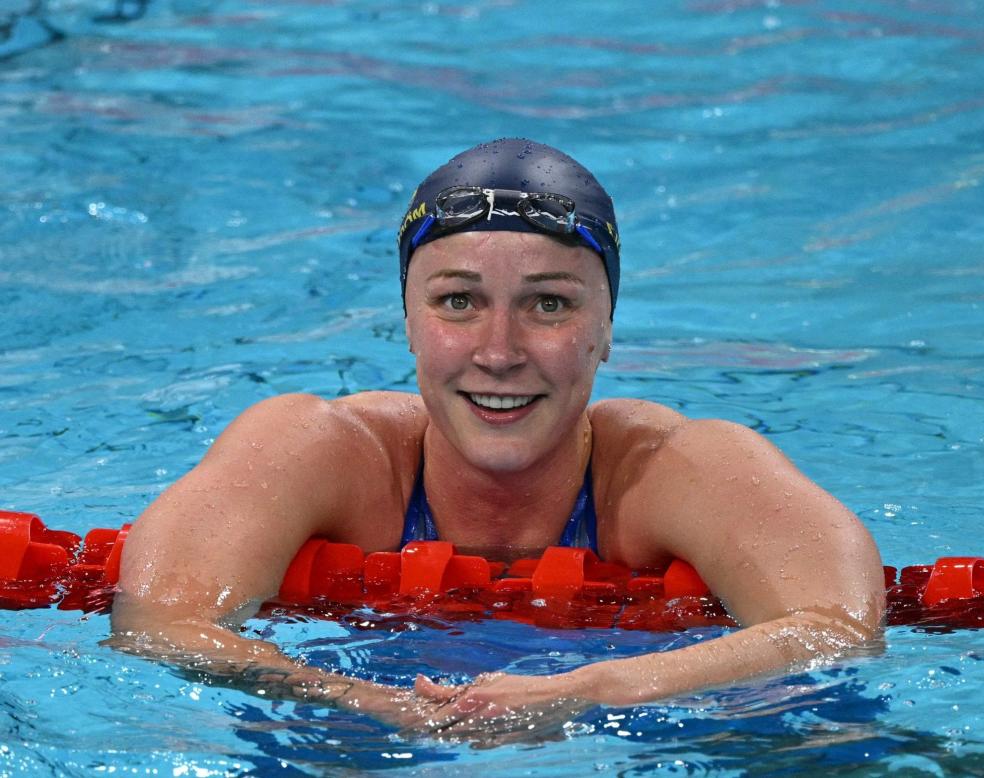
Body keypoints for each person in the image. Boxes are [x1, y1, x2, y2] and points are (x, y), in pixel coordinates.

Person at [109, 138, 885, 740]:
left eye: (549, 305)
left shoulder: (677, 467)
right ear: (408, 324)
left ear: (606, 328)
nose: (500, 351)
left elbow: (836, 629)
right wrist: (350, 698)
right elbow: (162, 624)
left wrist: (594, 689)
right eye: (457, 302)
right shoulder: (317, 450)